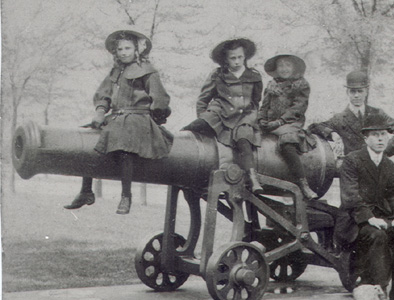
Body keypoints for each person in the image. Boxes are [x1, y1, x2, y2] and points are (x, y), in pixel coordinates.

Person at [64, 30, 172, 214]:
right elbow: (104, 94)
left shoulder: (148, 71)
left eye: (128, 48)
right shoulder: (116, 71)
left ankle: (126, 196)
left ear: (138, 49)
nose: (123, 52)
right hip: (116, 117)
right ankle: (86, 191)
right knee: (88, 141)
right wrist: (99, 112)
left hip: (138, 119)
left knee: (125, 148)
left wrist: (155, 118)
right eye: (120, 48)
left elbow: (160, 100)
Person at [337, 115, 394, 300]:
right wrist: (369, 218)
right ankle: (380, 289)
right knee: (378, 236)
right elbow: (350, 196)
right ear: (365, 138)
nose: (380, 139)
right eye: (375, 135)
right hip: (355, 219)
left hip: (381, 216)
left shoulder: (388, 163)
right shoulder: (352, 161)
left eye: (383, 135)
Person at [183, 38, 263, 193]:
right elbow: (203, 99)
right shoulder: (218, 75)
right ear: (226, 60)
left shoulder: (254, 76)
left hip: (244, 115)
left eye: (240, 57)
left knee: (244, 140)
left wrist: (252, 119)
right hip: (221, 112)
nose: (237, 61)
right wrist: (203, 116)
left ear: (245, 56)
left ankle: (253, 178)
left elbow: (256, 100)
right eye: (233, 58)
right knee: (199, 126)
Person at [308, 70, 394, 165]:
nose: (356, 95)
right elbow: (313, 127)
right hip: (351, 171)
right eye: (353, 91)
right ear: (347, 92)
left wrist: (383, 151)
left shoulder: (377, 114)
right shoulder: (339, 119)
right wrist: (332, 133)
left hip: (375, 168)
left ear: (366, 92)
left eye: (360, 91)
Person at [258, 54, 317, 200]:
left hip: (290, 123)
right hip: (271, 122)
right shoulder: (272, 85)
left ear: (294, 68)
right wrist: (261, 120)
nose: (284, 69)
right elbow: (264, 106)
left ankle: (303, 183)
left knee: (287, 144)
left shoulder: (301, 85)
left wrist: (280, 121)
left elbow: (298, 108)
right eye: (281, 66)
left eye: (288, 65)